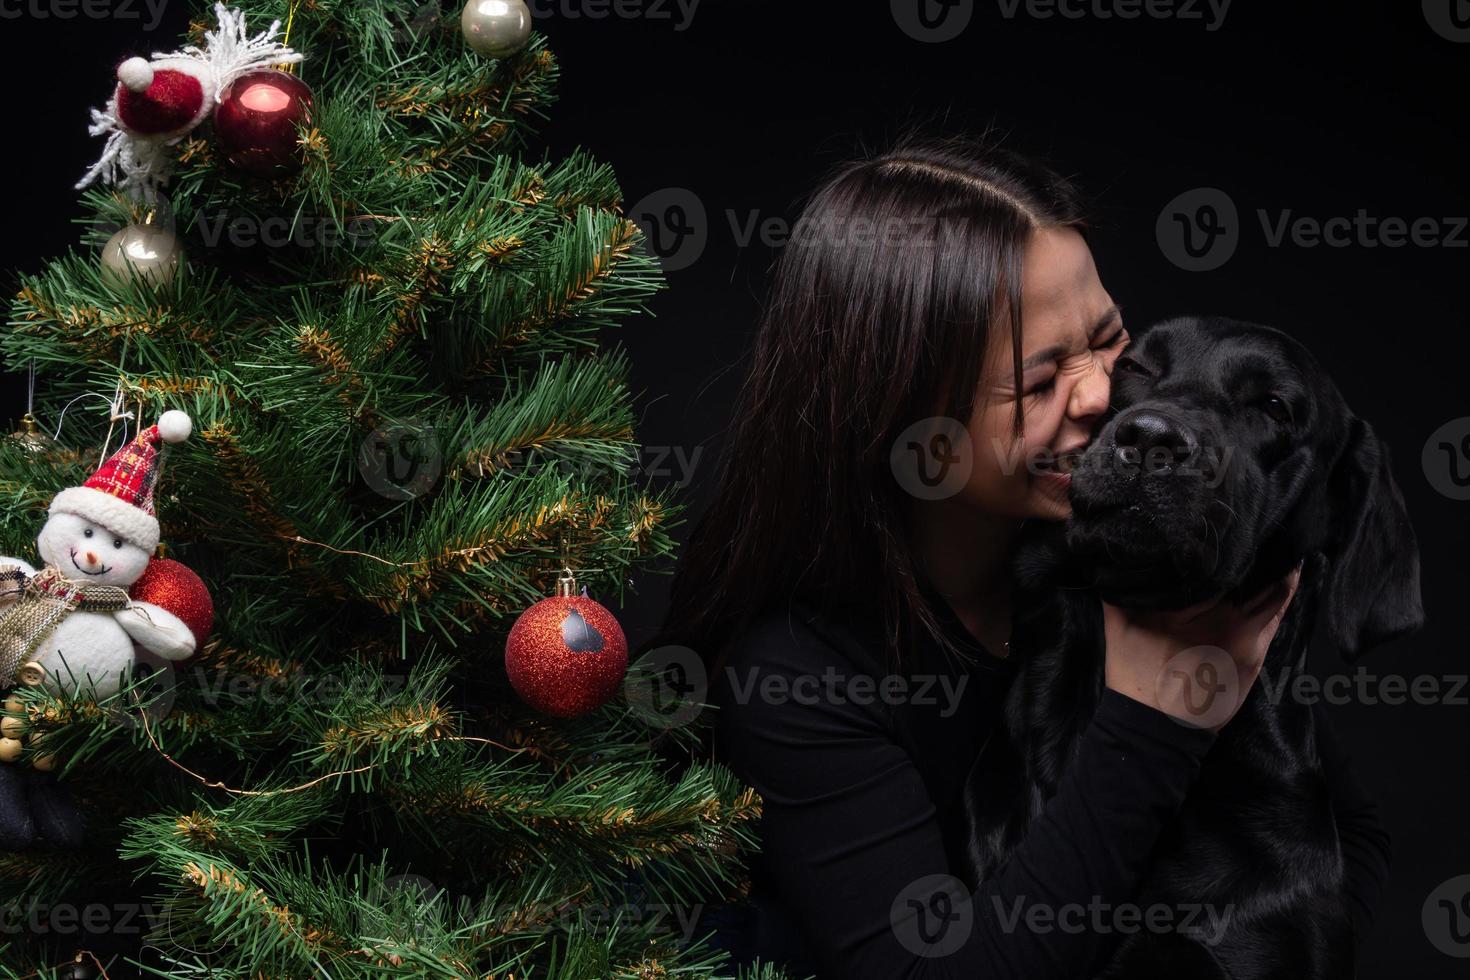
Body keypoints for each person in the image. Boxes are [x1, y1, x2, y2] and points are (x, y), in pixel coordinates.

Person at [648, 133, 1391, 978]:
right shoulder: (798, 673)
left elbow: (1338, 836)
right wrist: (1155, 715)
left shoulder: (1124, 558)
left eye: (1114, 341)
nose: (1105, 394)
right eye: (1039, 384)